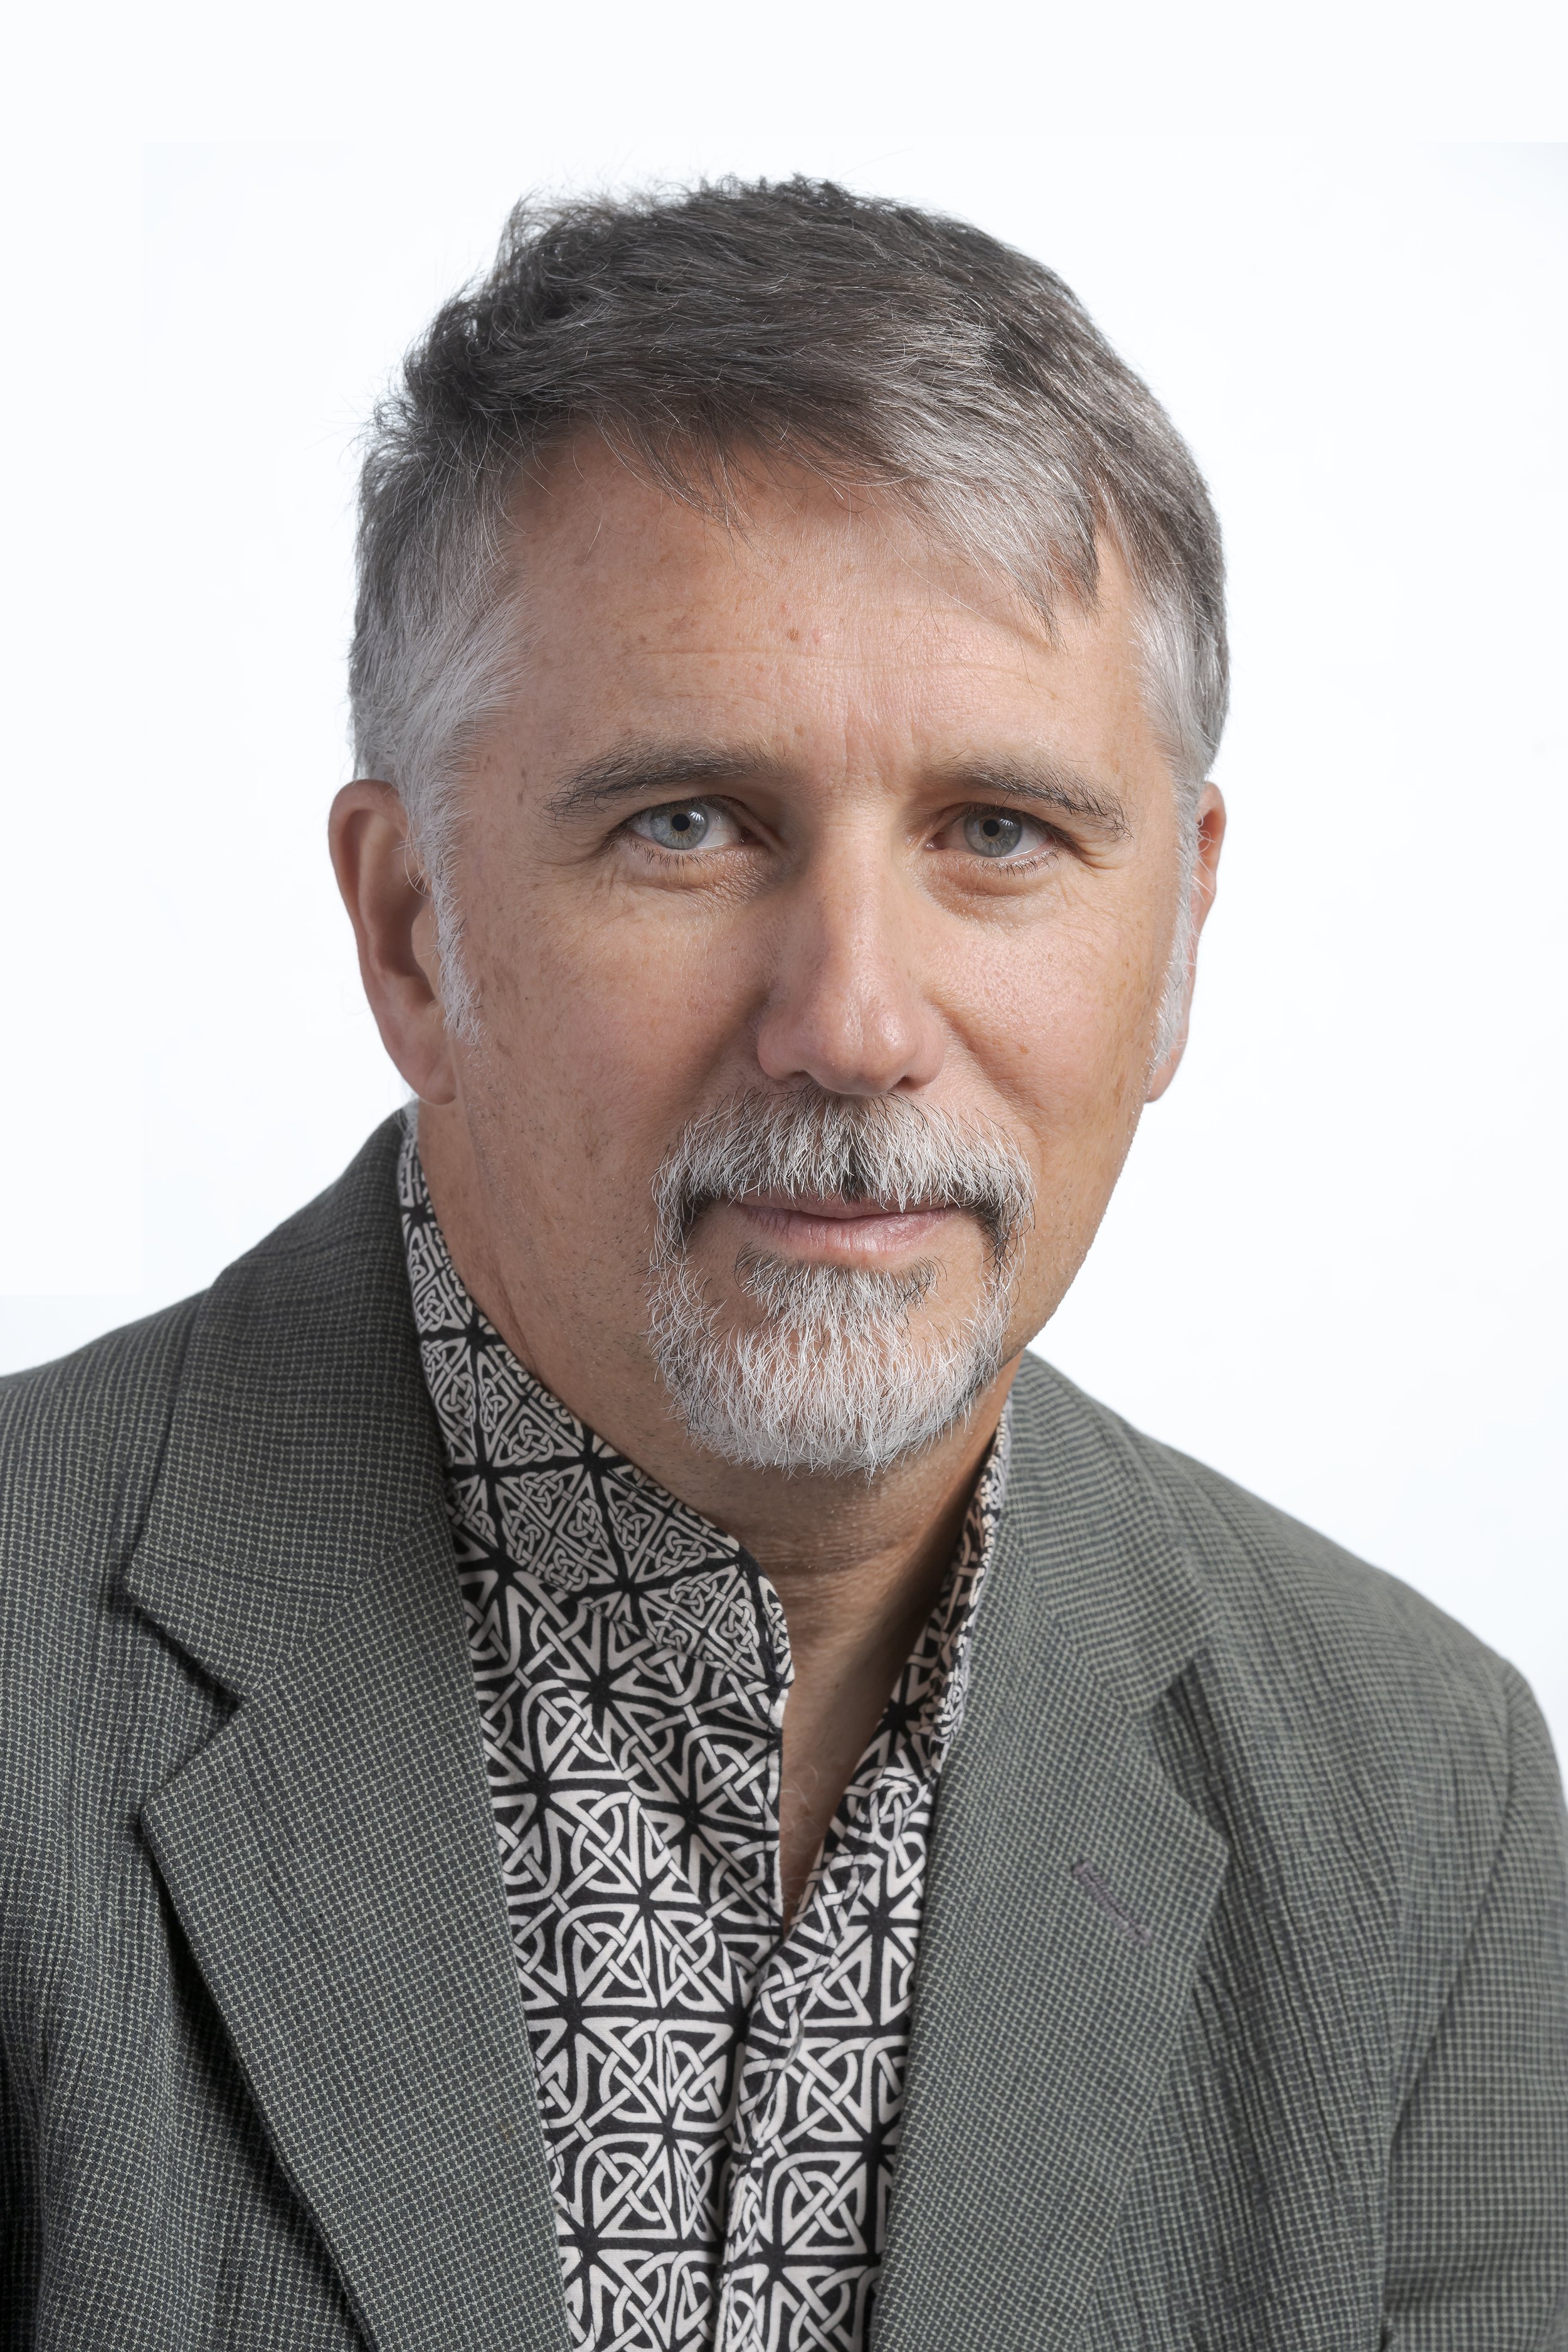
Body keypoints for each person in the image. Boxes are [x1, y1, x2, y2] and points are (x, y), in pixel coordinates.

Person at [2, 178, 1564, 2352]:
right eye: (686, 825)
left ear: (1178, 939)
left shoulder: (1421, 1801)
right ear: (411, 932)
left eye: (996, 835)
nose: (851, 1021)